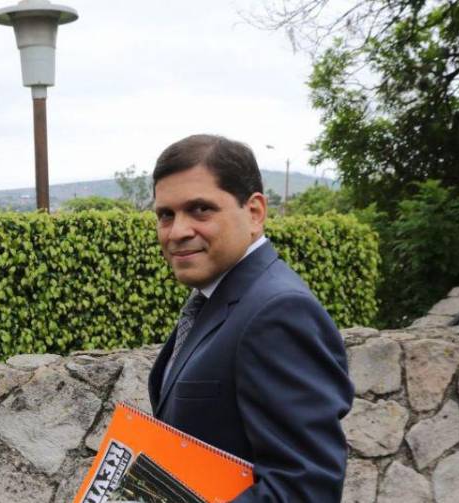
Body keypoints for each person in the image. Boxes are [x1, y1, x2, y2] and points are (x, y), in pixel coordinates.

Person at [146, 134, 353, 502]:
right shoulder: (217, 299)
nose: (177, 232)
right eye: (166, 215)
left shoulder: (278, 312)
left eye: (200, 209)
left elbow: (304, 491)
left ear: (255, 212)